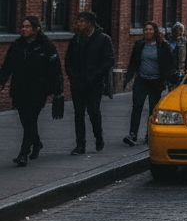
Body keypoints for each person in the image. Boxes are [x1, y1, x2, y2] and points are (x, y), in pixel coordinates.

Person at [0, 16, 63, 166]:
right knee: (25, 120)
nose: (24, 29)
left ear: (36, 29)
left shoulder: (46, 46)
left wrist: (57, 90)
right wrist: (2, 80)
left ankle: (23, 153)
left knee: (31, 119)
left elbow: (55, 68)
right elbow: (8, 64)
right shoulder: (17, 45)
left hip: (38, 89)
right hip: (20, 88)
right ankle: (37, 143)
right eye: (22, 26)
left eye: (27, 27)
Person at [64, 11, 114, 154]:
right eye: (78, 21)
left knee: (93, 112)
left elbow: (109, 60)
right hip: (78, 83)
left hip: (94, 84)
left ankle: (98, 137)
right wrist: (72, 75)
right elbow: (68, 59)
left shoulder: (103, 39)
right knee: (78, 113)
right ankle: (80, 144)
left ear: (90, 23)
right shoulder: (76, 39)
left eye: (81, 21)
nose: (78, 24)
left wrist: (96, 75)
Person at [123, 23, 174, 145]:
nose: (148, 32)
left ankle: (150, 134)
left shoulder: (162, 46)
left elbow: (169, 64)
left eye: (150, 29)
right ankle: (133, 134)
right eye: (146, 29)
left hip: (156, 81)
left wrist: (166, 81)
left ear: (155, 31)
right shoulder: (139, 45)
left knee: (152, 109)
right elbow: (133, 62)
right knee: (137, 107)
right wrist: (127, 78)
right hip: (141, 80)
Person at [167, 22, 187, 89]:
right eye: (176, 30)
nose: (178, 32)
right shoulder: (170, 40)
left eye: (180, 30)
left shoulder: (186, 39)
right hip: (172, 69)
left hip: (184, 68)